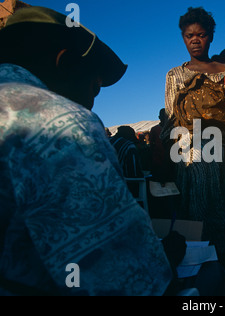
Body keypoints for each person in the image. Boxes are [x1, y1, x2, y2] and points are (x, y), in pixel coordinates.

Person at [0, 7, 173, 295]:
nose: (93, 101)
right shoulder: (59, 123)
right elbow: (126, 279)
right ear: (65, 63)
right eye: (96, 88)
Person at [161, 7, 225, 263]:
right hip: (188, 150)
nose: (195, 40)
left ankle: (223, 259)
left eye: (201, 34)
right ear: (183, 37)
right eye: (189, 35)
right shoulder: (175, 75)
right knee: (197, 203)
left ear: (210, 36)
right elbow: (171, 118)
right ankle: (204, 258)